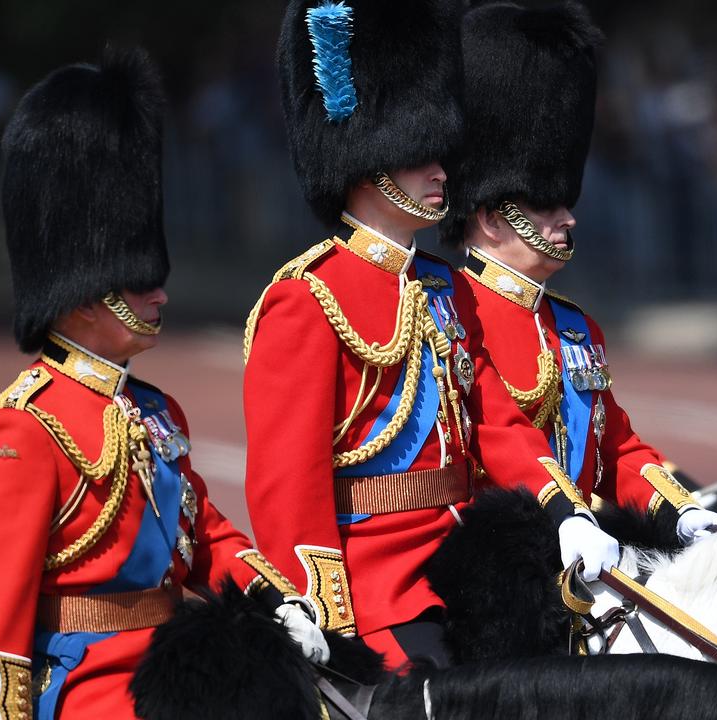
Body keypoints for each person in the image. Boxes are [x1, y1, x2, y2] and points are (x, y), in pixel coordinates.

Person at [246, 0, 620, 670]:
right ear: (369, 160)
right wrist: (321, 618)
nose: (443, 171)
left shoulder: (444, 289)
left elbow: (497, 421)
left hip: (467, 569)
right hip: (378, 591)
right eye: (422, 154)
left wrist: (564, 510)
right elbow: (287, 483)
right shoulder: (308, 296)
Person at [0, 49, 325, 720]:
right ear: (83, 292)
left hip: (174, 681)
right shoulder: (23, 430)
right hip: (85, 697)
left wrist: (277, 600)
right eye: (136, 277)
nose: (158, 291)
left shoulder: (154, 411)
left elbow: (204, 536)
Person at [440, 1, 717, 543]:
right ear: (492, 218)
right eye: (546, 204)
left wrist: (680, 509)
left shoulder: (574, 327)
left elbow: (615, 448)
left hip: (580, 553)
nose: (567, 216)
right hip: (491, 563)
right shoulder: (448, 312)